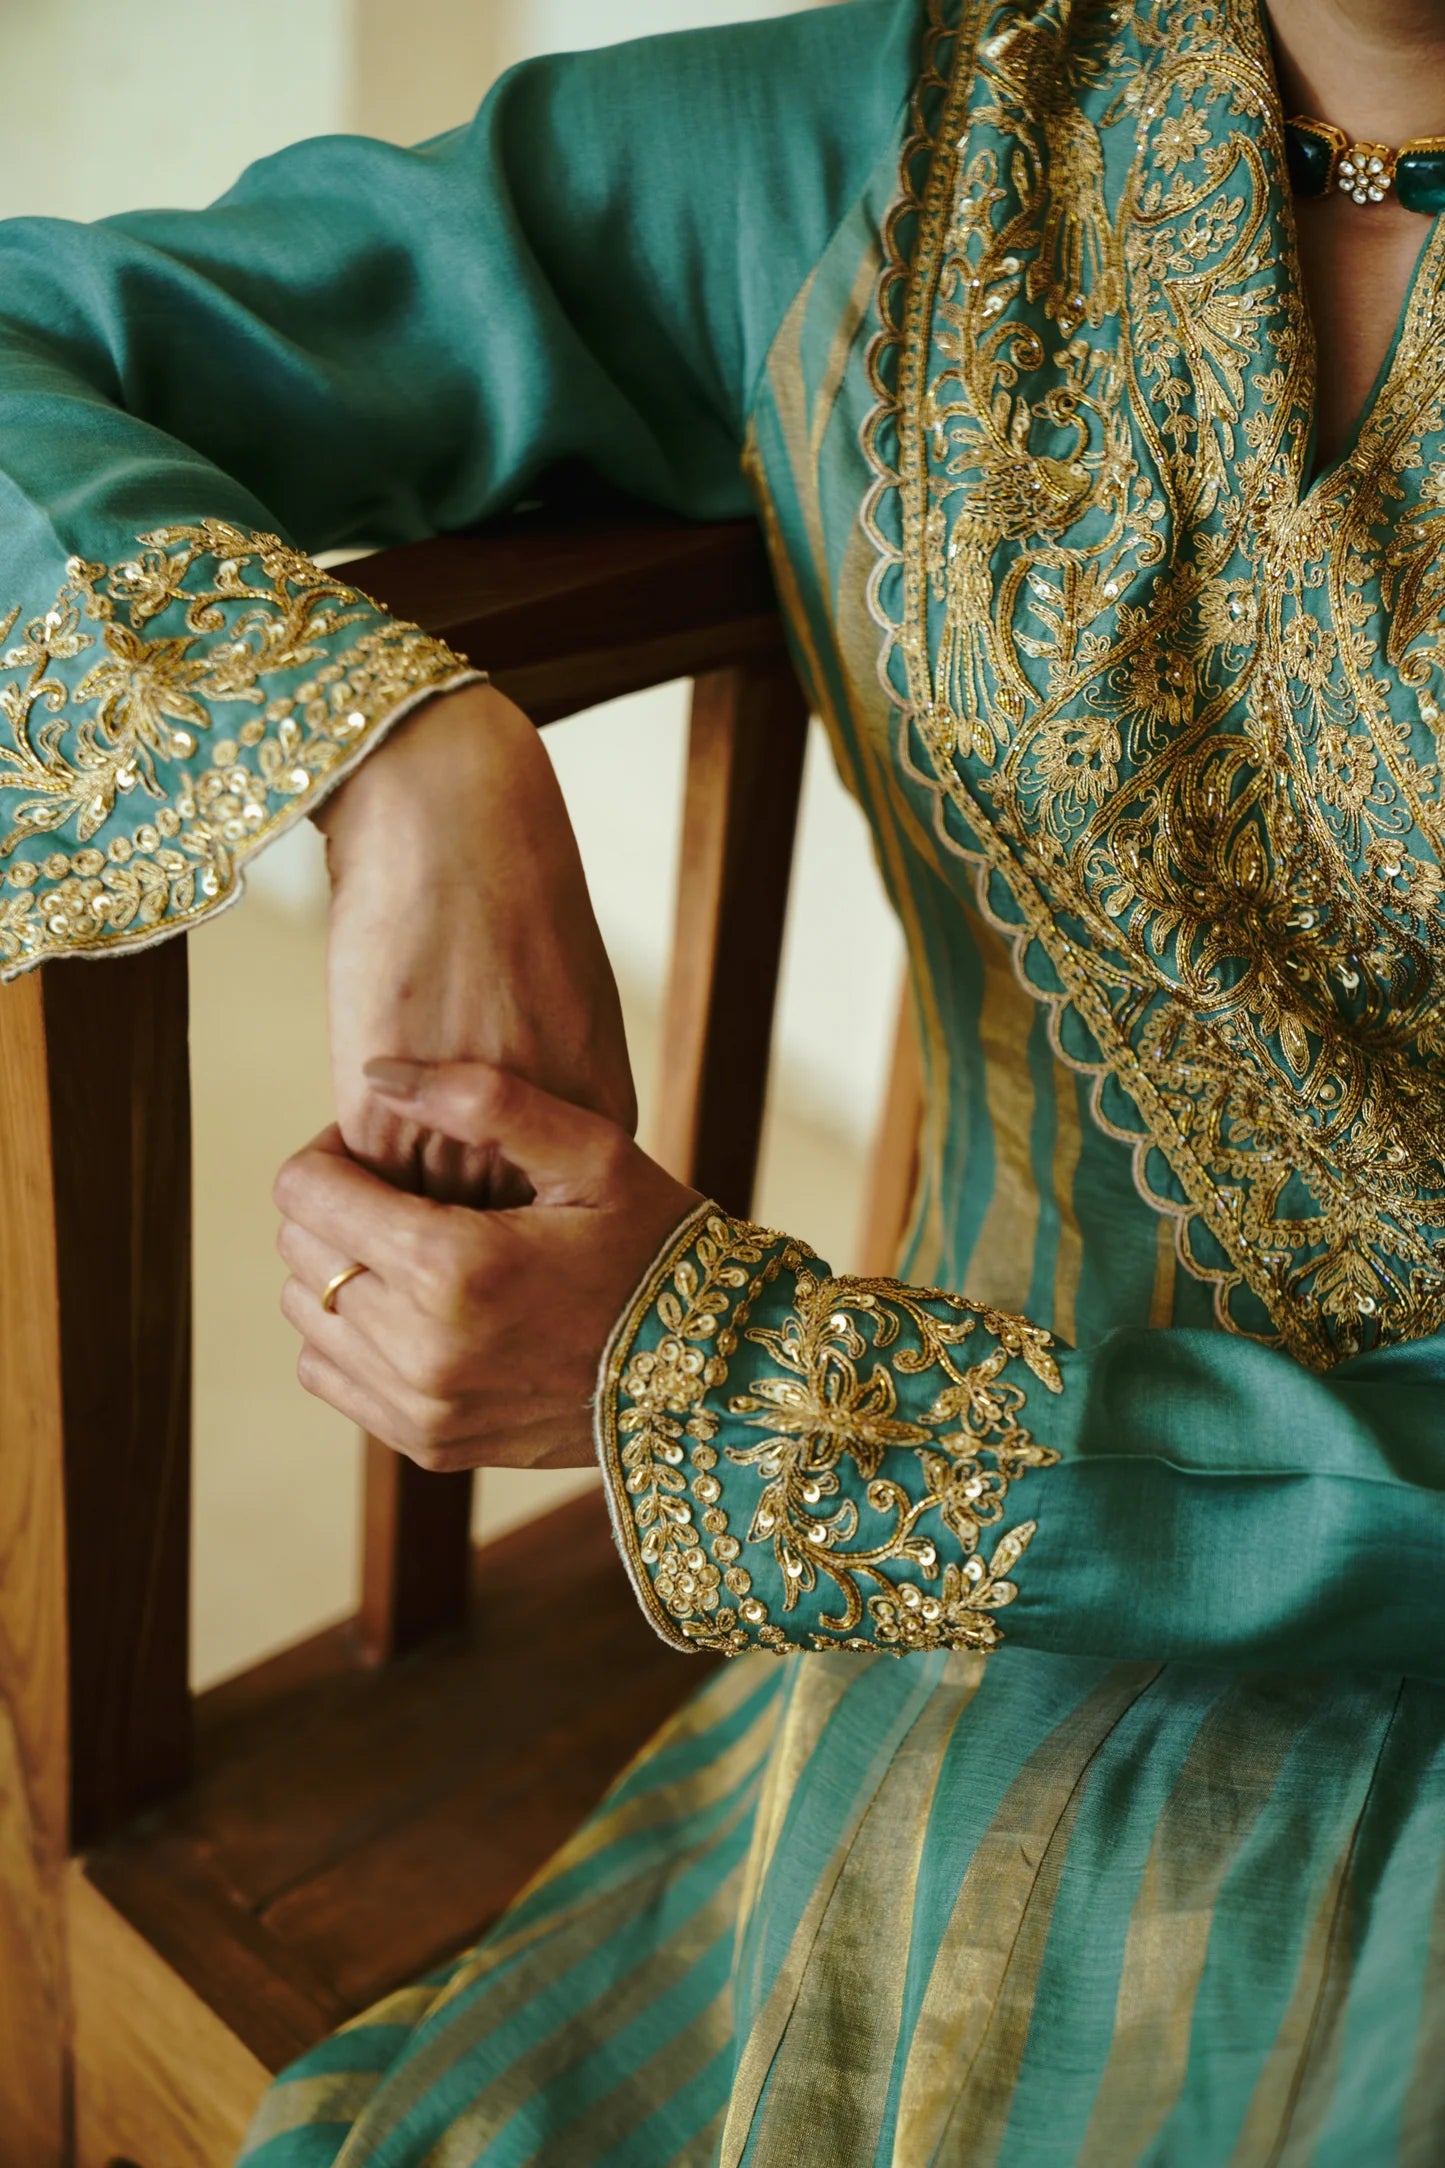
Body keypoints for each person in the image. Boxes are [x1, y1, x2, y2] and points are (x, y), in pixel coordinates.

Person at [2, 0, 1443, 2158]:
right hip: (983, 1652)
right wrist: (393, 748)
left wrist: (756, 1395)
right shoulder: (890, 140)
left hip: (962, 1499)